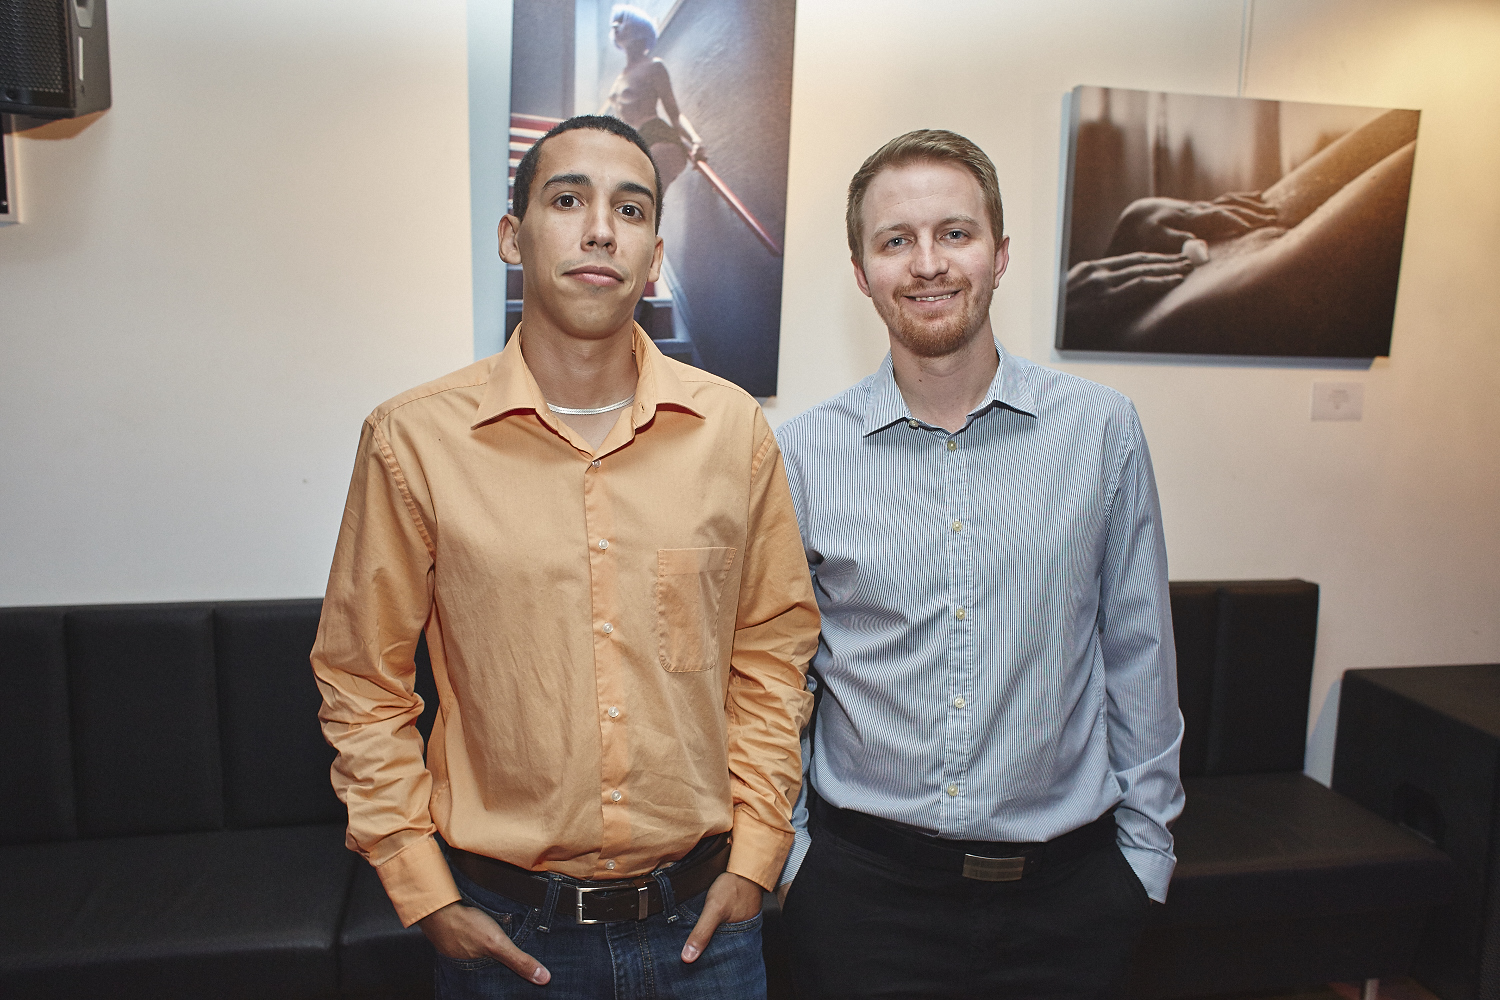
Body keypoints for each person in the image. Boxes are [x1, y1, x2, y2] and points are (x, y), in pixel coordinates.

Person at [310, 114, 818, 999]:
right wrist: (423, 893)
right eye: (567, 199)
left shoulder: (732, 431)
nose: (598, 229)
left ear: (653, 254)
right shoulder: (414, 442)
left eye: (629, 209)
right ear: (514, 236)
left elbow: (772, 657)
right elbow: (362, 682)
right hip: (503, 934)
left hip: (705, 928)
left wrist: (758, 857)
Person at [774, 129, 1184, 999]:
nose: (927, 264)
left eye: (954, 234)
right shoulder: (802, 454)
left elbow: (1138, 647)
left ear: (1000, 255)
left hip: (1071, 904)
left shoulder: (1100, 430)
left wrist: (1146, 855)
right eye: (895, 241)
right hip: (862, 906)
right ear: (861, 272)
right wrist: (795, 861)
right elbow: (778, 677)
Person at [1063, 109, 1419, 357]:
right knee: (1447, 137)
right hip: (1130, 327)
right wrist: (1068, 313)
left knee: (1415, 125)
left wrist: (1125, 233)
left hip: (1120, 308)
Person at [606, 4, 704, 190]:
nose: (615, 27)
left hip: (658, 137)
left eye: (622, 22)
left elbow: (674, 113)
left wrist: (695, 140)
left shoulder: (653, 67)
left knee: (641, 204)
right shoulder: (620, 79)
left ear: (638, 30)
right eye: (614, 23)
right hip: (634, 143)